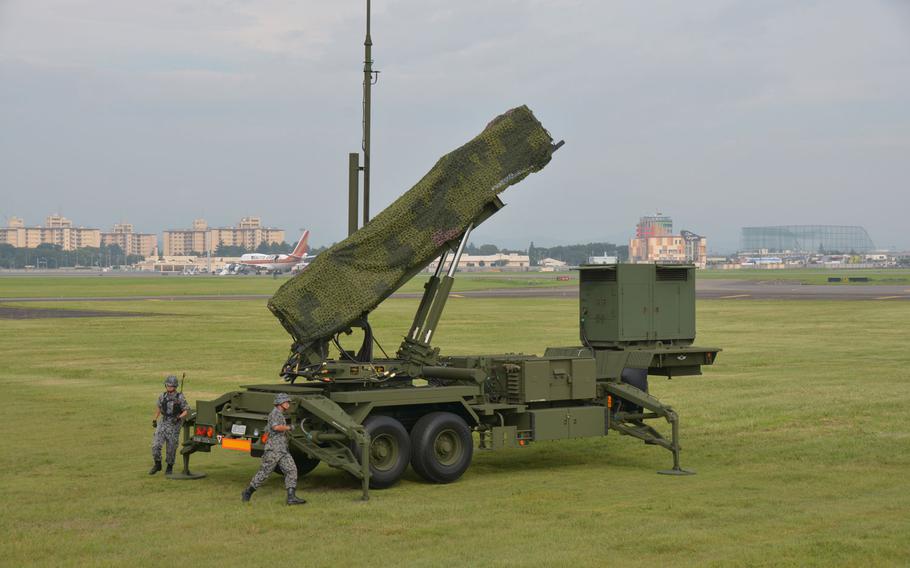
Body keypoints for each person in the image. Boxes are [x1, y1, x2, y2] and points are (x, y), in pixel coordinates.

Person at [241, 393, 306, 505]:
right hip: (273, 450)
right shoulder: (275, 413)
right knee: (265, 473)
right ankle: (248, 492)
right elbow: (276, 427)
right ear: (280, 403)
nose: (288, 404)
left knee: (291, 470)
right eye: (286, 402)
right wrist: (289, 427)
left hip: (282, 449)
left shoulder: (280, 414)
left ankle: (291, 497)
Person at [149, 375, 189, 475]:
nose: (169, 387)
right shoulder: (162, 396)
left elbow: (186, 410)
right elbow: (159, 408)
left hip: (174, 424)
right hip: (163, 422)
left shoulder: (180, 397)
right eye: (167, 385)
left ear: (175, 386)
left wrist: (179, 417)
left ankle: (169, 467)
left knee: (171, 447)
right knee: (155, 445)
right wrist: (155, 419)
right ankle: (157, 464)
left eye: (171, 386)